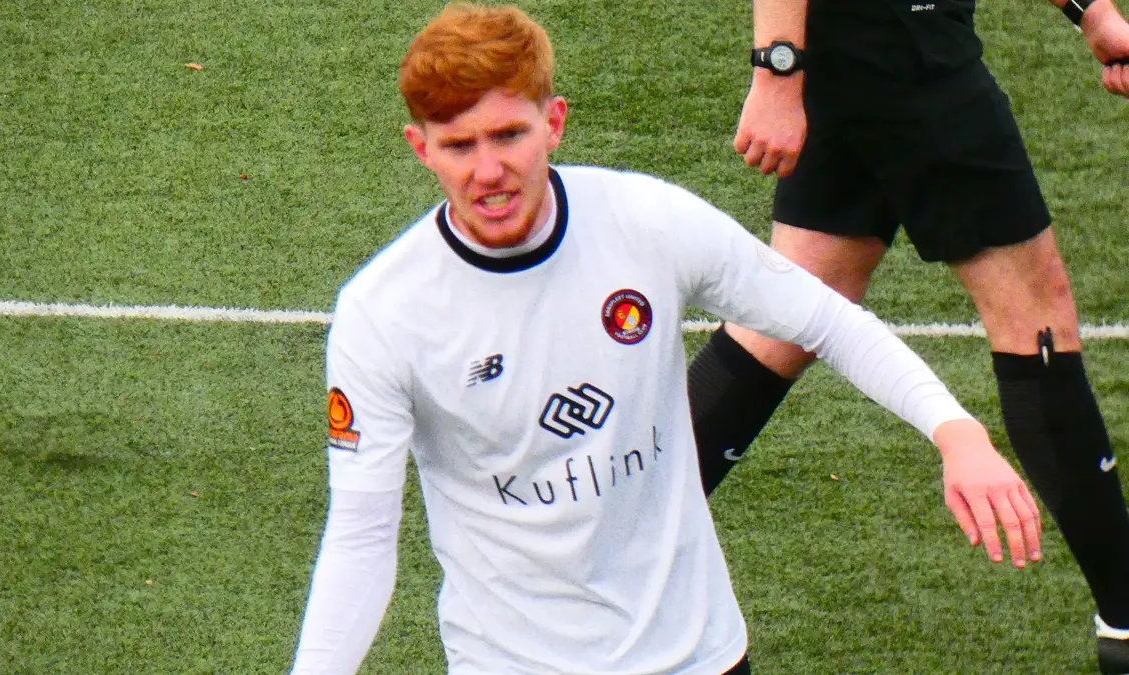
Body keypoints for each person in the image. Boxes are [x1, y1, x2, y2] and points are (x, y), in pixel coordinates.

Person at [290, 4, 1043, 674]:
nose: (489, 170)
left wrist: (955, 430)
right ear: (421, 148)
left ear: (554, 123)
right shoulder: (384, 312)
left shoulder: (645, 223)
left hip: (699, 655)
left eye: (509, 135)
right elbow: (361, 537)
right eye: (460, 145)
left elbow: (827, 319)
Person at [688, 0, 1129, 670]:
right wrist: (775, 72)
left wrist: (1088, 13)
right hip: (907, 49)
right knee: (1035, 318)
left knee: (786, 318)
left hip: (854, 49)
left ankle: (604, 534)